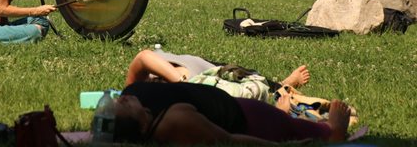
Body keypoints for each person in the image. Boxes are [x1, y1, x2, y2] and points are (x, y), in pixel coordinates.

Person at [113, 82, 352, 145]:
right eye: (123, 107)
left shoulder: (132, 94)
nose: (121, 100)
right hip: (250, 121)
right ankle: (331, 131)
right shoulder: (174, 122)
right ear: (143, 124)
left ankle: (285, 115)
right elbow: (228, 140)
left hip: (227, 104)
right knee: (296, 128)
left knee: (281, 116)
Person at [125, 49, 310, 103]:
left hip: (187, 67)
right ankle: (284, 85)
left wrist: (181, 82)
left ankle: (281, 84)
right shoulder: (164, 113)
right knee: (249, 89)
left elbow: (143, 57)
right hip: (204, 79)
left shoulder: (131, 93)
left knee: (244, 75)